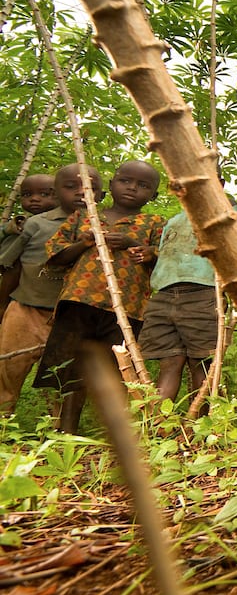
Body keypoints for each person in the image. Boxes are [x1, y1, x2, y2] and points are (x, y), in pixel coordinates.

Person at [34, 160, 165, 433]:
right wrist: (85, 241)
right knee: (70, 370)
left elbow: (166, 260)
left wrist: (140, 248)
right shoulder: (83, 217)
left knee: (117, 372)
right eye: (125, 181)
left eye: (143, 186)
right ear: (112, 183)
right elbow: (55, 256)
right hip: (78, 302)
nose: (132, 188)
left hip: (126, 310)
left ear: (153, 195)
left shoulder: (154, 223)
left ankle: (114, 436)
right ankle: (66, 431)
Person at [0, 165, 100, 415]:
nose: (80, 193)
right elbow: (12, 266)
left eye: (88, 188)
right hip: (27, 308)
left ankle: (60, 430)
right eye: (70, 187)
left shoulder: (105, 226)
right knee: (9, 368)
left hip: (72, 315)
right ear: (57, 192)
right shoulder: (35, 224)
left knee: (66, 375)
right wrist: (2, 305)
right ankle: (3, 422)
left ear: (101, 194)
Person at [140, 188, 237, 408]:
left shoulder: (230, 212)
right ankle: (159, 424)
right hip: (164, 295)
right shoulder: (174, 221)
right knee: (169, 360)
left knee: (202, 362)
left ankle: (199, 423)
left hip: (203, 293)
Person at [0, 174, 57, 314]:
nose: (34, 199)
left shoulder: (69, 222)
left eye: (44, 194)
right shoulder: (21, 223)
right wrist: (9, 229)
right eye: (26, 194)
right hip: (15, 273)